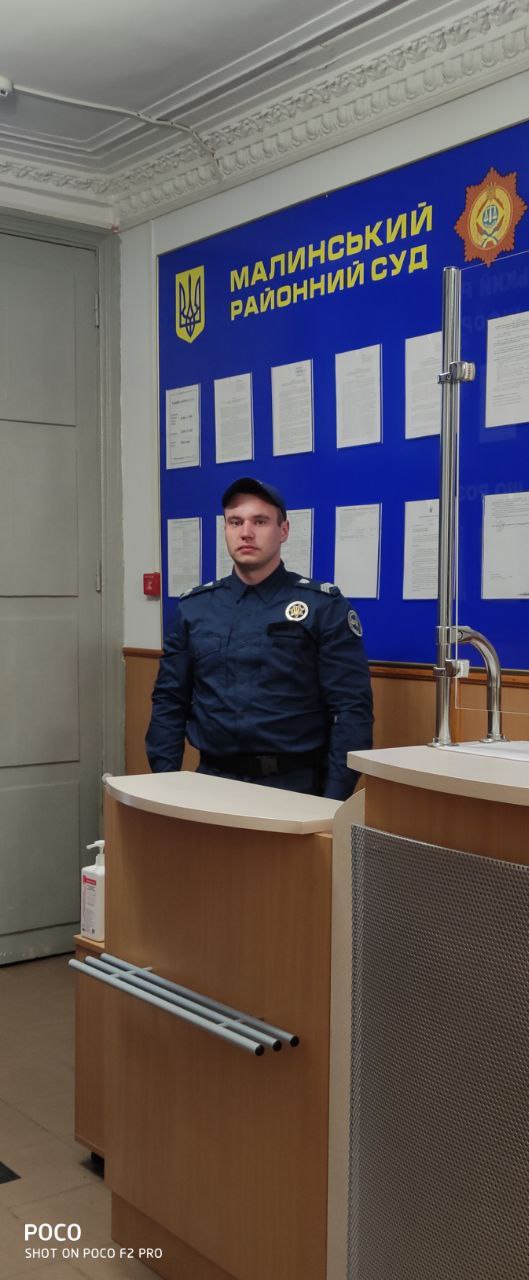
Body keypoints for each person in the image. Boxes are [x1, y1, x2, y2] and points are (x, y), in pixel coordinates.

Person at [146, 478, 373, 799]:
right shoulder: (195, 608)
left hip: (295, 786)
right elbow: (169, 702)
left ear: (284, 531)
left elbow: (351, 711)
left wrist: (334, 800)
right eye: (235, 522)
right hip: (210, 781)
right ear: (225, 529)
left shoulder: (323, 607)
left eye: (260, 521)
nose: (246, 532)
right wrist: (165, 785)